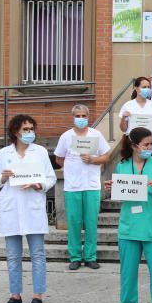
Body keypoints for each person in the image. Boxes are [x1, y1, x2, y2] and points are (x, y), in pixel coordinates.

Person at [104, 127, 152, 303]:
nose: (150, 147)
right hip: (129, 227)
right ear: (135, 146)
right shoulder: (123, 165)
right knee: (127, 272)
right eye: (146, 145)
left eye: (151, 144)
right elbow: (121, 196)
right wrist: (113, 188)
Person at [0, 115, 57, 303]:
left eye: (31, 129)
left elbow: (50, 178)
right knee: (12, 256)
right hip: (12, 208)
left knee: (37, 254)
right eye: (25, 129)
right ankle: (15, 295)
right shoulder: (4, 153)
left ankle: (38, 295)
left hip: (32, 207)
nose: (29, 133)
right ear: (15, 132)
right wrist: (2, 177)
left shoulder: (40, 152)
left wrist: (39, 184)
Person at [53, 104, 109, 270]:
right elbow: (59, 158)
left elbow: (105, 157)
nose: (81, 119)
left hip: (91, 185)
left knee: (91, 222)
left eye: (84, 116)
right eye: (78, 116)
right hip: (73, 186)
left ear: (88, 117)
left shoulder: (96, 134)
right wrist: (72, 167)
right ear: (73, 117)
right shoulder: (66, 136)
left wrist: (92, 160)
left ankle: (91, 256)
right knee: (74, 222)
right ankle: (75, 257)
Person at [119, 77, 152, 152]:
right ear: (136, 88)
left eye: (149, 87)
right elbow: (123, 129)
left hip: (149, 145)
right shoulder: (128, 105)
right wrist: (123, 118)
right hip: (133, 145)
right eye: (144, 87)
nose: (147, 89)